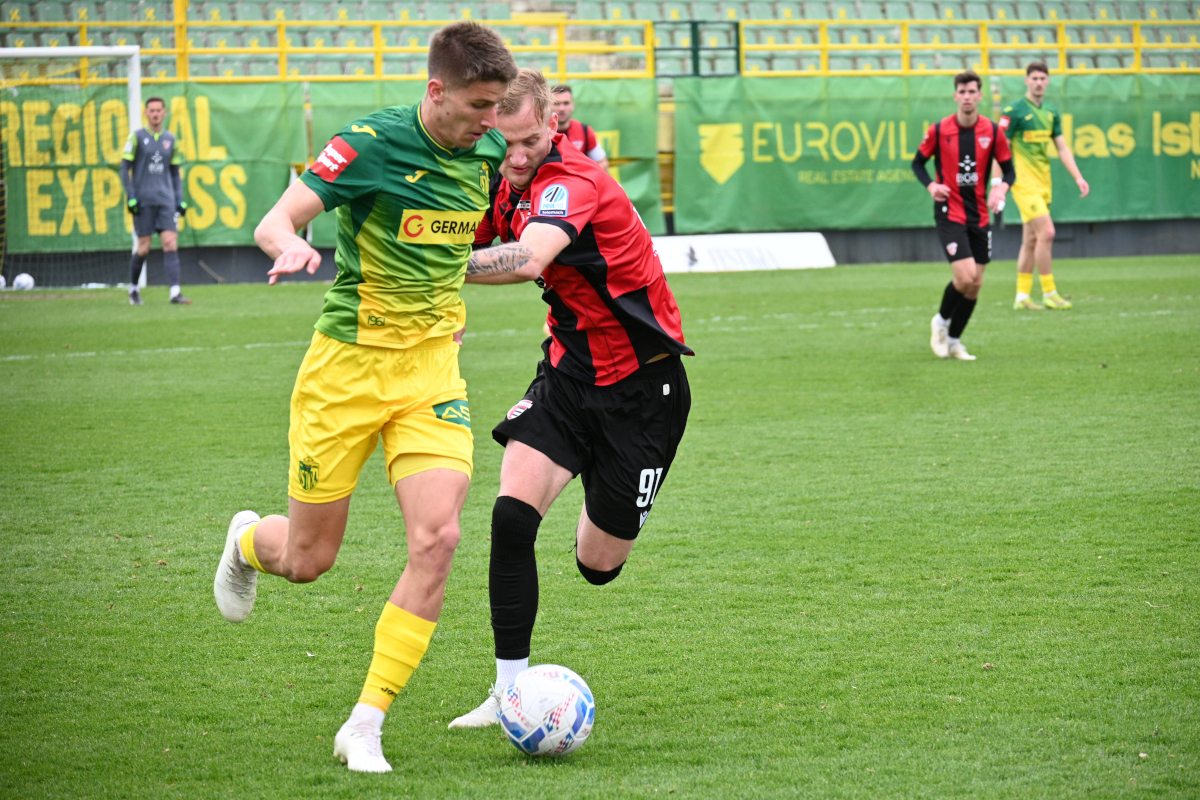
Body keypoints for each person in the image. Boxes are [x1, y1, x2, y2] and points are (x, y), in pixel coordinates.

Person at [211, 21, 516, 773]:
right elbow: (275, 218)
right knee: (310, 560)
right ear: (435, 91)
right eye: (479, 105)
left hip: (431, 378)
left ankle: (366, 721)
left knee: (438, 539)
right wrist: (290, 243)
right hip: (346, 373)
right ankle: (250, 541)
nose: (490, 121)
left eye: (498, 106)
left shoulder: (488, 153)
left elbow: (455, 247)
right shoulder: (370, 143)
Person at [445, 69, 692, 730]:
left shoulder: (571, 181)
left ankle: (602, 482)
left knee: (597, 565)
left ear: (553, 125)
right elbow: (465, 236)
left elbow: (526, 259)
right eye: (507, 143)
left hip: (645, 392)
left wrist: (432, 267)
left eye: (530, 141)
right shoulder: (503, 181)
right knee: (509, 517)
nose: (518, 156)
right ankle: (508, 692)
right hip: (567, 379)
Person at [913, 70, 1015, 361]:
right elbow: (918, 163)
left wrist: (1000, 190)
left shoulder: (993, 132)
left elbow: (1009, 170)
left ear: (980, 95)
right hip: (949, 211)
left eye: (972, 92)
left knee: (976, 284)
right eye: (963, 92)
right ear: (955, 95)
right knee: (966, 276)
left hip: (979, 213)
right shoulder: (939, 129)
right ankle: (941, 321)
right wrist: (932, 185)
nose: (967, 97)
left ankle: (955, 341)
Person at [998, 62, 1089, 311]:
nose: (1039, 82)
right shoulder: (1013, 111)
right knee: (1047, 233)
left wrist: (1078, 177)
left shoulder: (1050, 112)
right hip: (1022, 183)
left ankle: (1021, 296)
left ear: (1048, 81)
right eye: (1034, 78)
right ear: (1026, 81)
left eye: (1043, 78)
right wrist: (998, 185)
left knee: (1030, 239)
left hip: (1043, 182)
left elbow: (1062, 147)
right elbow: (1000, 149)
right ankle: (1049, 292)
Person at [121, 97, 189, 305]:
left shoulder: (171, 139)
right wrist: (131, 195)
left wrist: (179, 198)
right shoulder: (136, 137)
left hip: (166, 201)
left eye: (159, 110)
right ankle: (133, 289)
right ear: (146, 113)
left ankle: (175, 292)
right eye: (152, 110)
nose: (156, 114)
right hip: (143, 201)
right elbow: (124, 167)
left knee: (170, 243)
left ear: (165, 112)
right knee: (144, 247)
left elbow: (175, 172)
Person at [550, 84, 609, 171]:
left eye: (566, 103)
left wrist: (584, 178)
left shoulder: (585, 131)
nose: (562, 108)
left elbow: (603, 164)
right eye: (557, 103)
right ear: (548, 106)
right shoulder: (541, 133)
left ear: (573, 105)